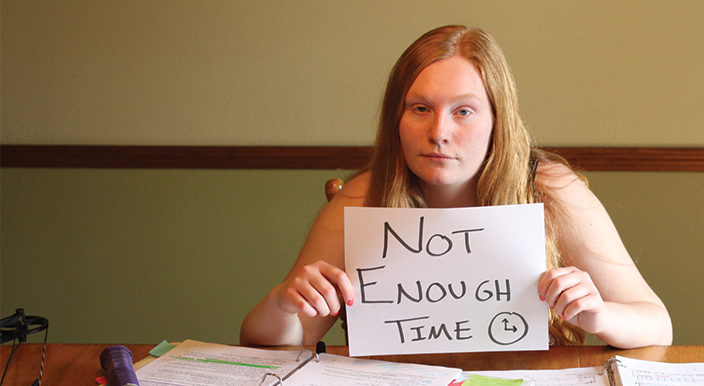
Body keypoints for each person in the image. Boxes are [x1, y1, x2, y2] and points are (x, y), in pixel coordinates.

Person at [241, 25, 672, 349]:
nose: (439, 132)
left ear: (497, 122)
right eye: (420, 108)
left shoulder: (550, 189)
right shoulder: (362, 199)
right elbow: (276, 345)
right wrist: (282, 302)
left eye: (464, 111)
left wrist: (599, 316)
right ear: (397, 118)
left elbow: (657, 323)